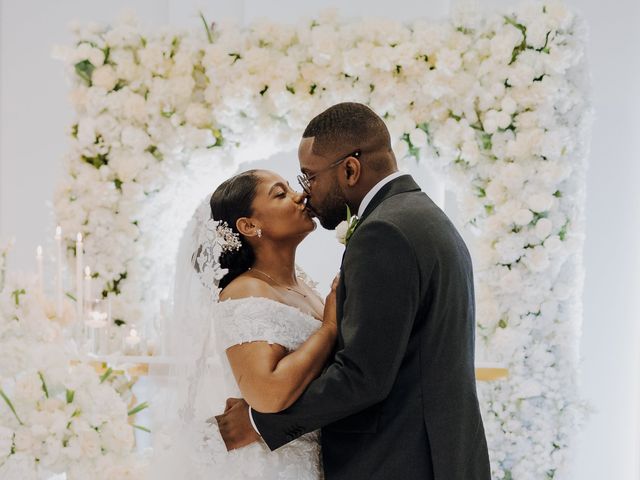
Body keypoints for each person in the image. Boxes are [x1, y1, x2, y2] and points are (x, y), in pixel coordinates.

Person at [215, 102, 491, 479]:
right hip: (434, 453)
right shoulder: (421, 216)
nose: (305, 194)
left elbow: (363, 375)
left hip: (401, 460)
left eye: (309, 177)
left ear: (349, 169)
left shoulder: (384, 232)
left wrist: (260, 425)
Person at [151, 169, 337, 479]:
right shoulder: (246, 291)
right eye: (281, 194)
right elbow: (268, 393)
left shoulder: (306, 289)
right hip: (275, 465)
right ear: (249, 225)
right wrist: (330, 329)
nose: (300, 195)